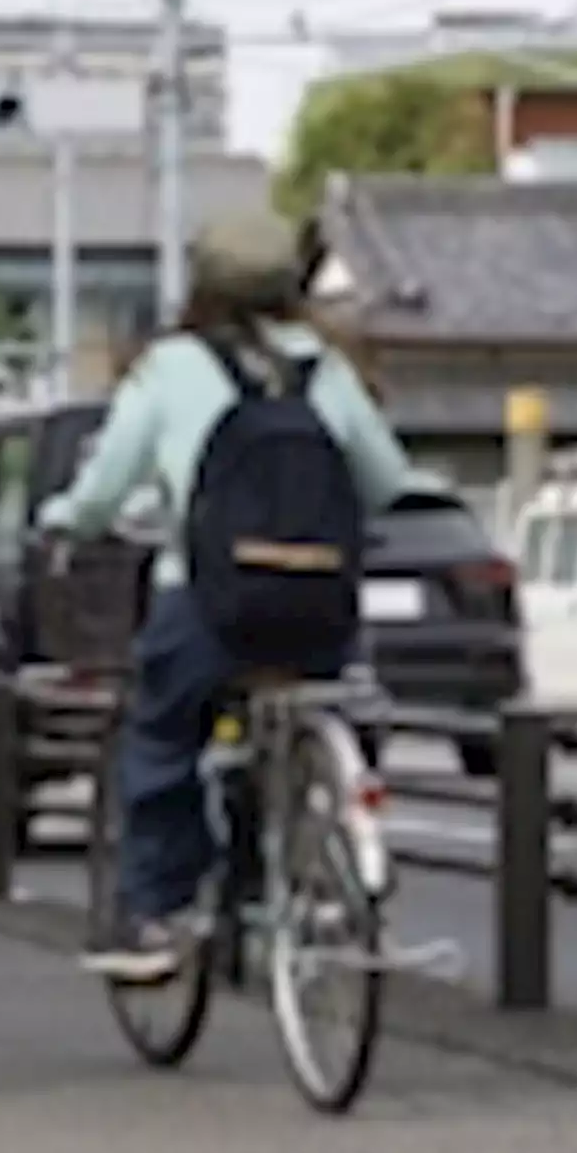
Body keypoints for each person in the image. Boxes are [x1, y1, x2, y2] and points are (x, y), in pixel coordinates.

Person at [36, 211, 413, 981]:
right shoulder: (326, 369)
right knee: (333, 708)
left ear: (201, 285)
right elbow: (387, 481)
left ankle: (155, 916)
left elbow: (104, 490)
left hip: (207, 603)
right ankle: (329, 857)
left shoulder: (171, 368)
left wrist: (66, 518)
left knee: (162, 736)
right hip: (318, 607)